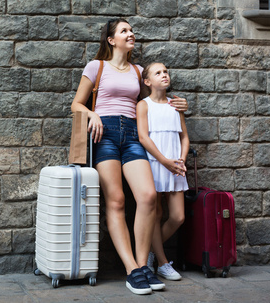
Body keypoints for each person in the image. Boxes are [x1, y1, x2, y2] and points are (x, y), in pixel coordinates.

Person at [71, 18, 188, 295]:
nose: (130, 34)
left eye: (131, 30)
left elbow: (155, 101)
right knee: (117, 200)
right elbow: (76, 103)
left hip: (133, 135)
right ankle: (132, 270)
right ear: (111, 40)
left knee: (147, 197)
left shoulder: (138, 71)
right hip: (105, 133)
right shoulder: (96, 67)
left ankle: (142, 265)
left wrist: (179, 104)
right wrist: (92, 113)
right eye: (124, 31)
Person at [136, 62, 189, 281]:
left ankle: (149, 251)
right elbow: (143, 137)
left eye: (166, 71)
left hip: (176, 166)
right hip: (156, 163)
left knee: (178, 216)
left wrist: (181, 160)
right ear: (147, 82)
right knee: (155, 215)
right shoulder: (143, 105)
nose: (164, 75)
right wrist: (164, 161)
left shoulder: (175, 104)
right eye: (158, 73)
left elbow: (184, 137)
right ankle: (163, 262)